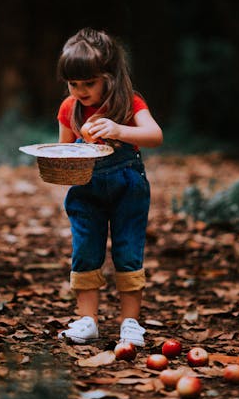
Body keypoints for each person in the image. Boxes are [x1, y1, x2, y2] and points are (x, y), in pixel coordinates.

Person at [56, 27, 163, 347]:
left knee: (128, 250)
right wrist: (78, 149)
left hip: (127, 186)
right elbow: (64, 151)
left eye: (89, 83)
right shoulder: (69, 108)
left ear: (110, 76)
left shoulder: (129, 104)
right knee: (85, 250)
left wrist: (119, 129)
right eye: (73, 84)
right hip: (86, 189)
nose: (80, 91)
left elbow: (155, 136)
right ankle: (87, 320)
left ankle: (130, 322)